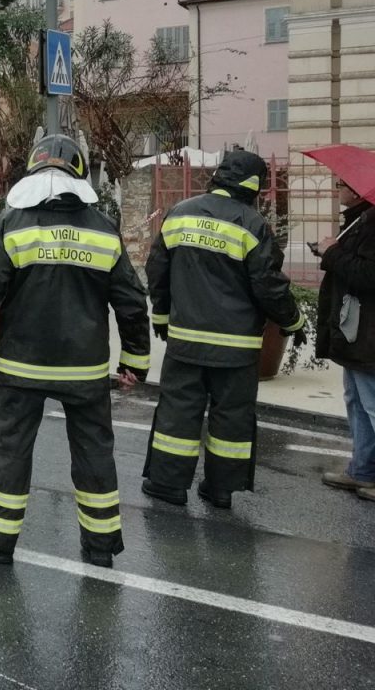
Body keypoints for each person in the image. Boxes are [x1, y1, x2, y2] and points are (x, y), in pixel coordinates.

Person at [0, 135, 150, 568]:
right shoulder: (103, 229)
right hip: (86, 369)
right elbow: (132, 300)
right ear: (80, 174)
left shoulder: (13, 223)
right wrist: (135, 361)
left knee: (10, 451)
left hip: (24, 366)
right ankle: (100, 547)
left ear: (33, 170)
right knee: (94, 452)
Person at [144, 149, 304, 510]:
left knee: (178, 412)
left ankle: (168, 484)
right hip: (237, 348)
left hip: (185, 341)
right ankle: (220, 489)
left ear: (217, 177)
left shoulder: (180, 213)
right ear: (254, 187)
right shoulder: (253, 224)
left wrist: (161, 315)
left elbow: (157, 270)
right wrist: (293, 321)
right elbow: (269, 285)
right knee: (231, 416)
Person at [314, 175, 375, 500]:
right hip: (357, 333)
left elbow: (369, 274)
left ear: (356, 188)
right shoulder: (360, 220)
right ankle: (362, 470)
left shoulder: (371, 222)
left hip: (368, 334)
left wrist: (333, 252)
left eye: (340, 184)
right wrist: (332, 250)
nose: (337, 189)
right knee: (357, 402)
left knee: (372, 404)